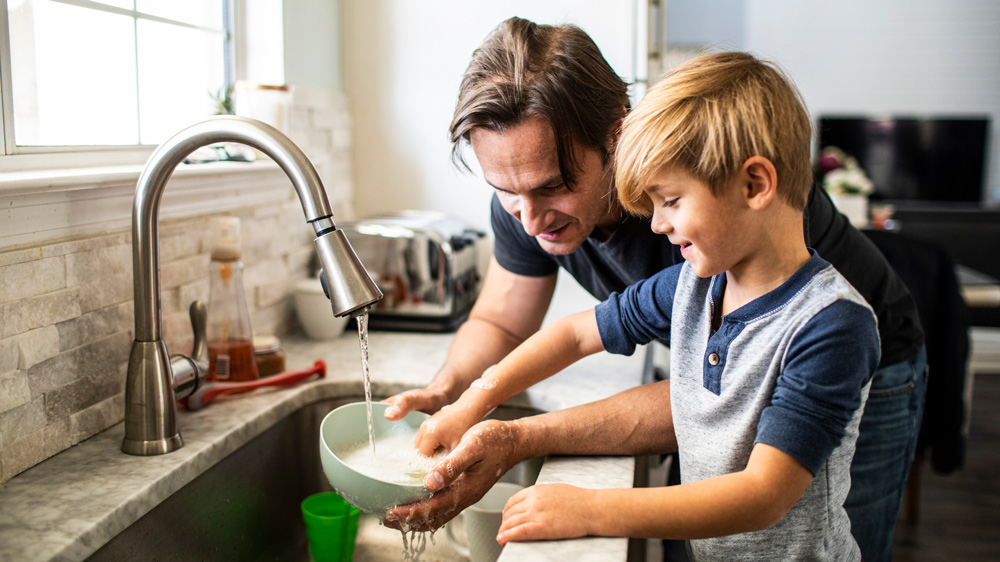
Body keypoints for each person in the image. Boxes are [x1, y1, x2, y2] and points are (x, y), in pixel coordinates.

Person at [384, 17, 926, 561]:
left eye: (553, 186)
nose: (527, 219)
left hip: (869, 373)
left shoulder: (716, 214)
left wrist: (552, 470)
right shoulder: (692, 265)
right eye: (505, 191)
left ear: (616, 137)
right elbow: (515, 321)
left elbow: (719, 417)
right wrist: (457, 393)